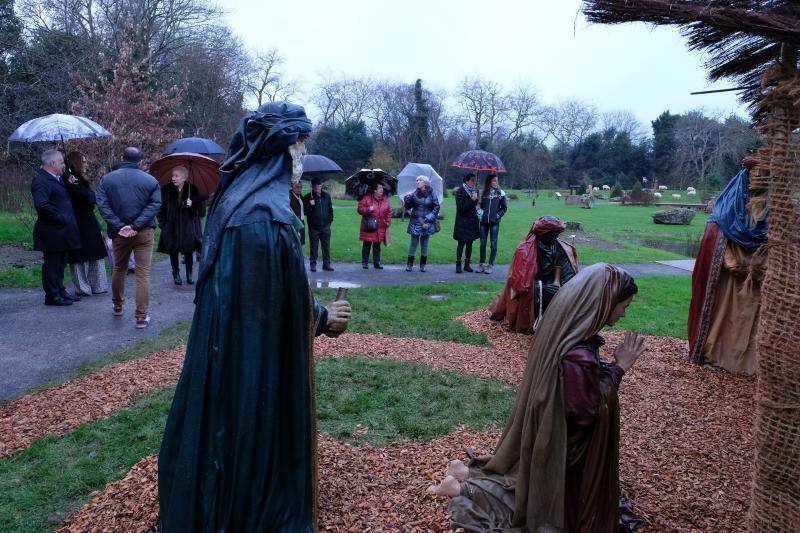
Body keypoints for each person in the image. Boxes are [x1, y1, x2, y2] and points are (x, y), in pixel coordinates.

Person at [158, 101, 351, 532]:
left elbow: (264, 294)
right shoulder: (266, 217)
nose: (302, 156)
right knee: (243, 428)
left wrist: (315, 314)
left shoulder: (240, 197)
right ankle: (247, 508)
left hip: (225, 346)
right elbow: (270, 304)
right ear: (282, 147)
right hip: (249, 359)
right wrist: (322, 318)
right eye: (300, 145)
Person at [429, 264, 646, 533]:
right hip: (560, 446)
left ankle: (463, 475)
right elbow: (586, 414)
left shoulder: (567, 330)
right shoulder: (579, 354)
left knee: (522, 477)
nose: (624, 313)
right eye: (623, 305)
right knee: (542, 503)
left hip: (545, 427)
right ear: (603, 303)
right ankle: (465, 488)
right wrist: (619, 368)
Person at [687, 158, 767, 375]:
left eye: (764, 174)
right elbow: (716, 227)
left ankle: (750, 362)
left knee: (751, 318)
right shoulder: (729, 205)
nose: (759, 178)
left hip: (758, 278)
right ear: (747, 174)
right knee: (725, 315)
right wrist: (730, 259)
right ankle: (717, 354)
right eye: (756, 173)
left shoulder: (774, 209)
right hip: (729, 278)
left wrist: (758, 267)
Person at [96, 147, 162, 329]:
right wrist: (136, 225)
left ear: (122, 157)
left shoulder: (107, 179)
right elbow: (155, 205)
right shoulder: (151, 181)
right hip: (144, 232)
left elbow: (102, 205)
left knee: (119, 268)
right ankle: (141, 317)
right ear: (140, 161)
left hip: (120, 233)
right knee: (143, 274)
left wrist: (121, 226)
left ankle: (118, 305)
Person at [488, 215, 579, 333]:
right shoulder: (524, 251)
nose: (555, 237)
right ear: (543, 234)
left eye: (557, 233)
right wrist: (542, 289)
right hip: (534, 291)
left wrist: (563, 288)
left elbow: (569, 274)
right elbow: (519, 283)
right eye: (552, 234)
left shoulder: (562, 249)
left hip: (556, 288)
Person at [30, 149, 82, 306]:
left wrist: (70, 184)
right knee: (52, 264)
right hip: (52, 231)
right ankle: (52, 295)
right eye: (61, 162)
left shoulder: (57, 179)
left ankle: (60, 291)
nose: (64, 165)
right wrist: (60, 218)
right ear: (52, 163)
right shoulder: (41, 180)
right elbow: (42, 204)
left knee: (60, 263)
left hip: (62, 232)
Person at [63, 151, 109, 296]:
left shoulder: (78, 180)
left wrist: (78, 187)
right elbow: (87, 198)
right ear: (75, 162)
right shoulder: (67, 180)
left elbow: (91, 197)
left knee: (94, 253)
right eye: (83, 161)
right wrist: (74, 187)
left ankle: (98, 285)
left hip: (87, 221)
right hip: (76, 222)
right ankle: (83, 288)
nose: (86, 164)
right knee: (78, 256)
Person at [156, 166, 205, 286]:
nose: (173, 178)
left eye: (176, 176)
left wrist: (192, 204)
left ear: (184, 177)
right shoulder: (166, 189)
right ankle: (176, 273)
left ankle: (189, 273)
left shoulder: (192, 189)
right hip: (171, 225)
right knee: (173, 250)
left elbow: (201, 211)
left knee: (188, 250)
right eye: (172, 176)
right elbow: (160, 208)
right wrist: (163, 224)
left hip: (187, 225)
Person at [403, 175, 440, 272]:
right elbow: (407, 207)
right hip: (415, 221)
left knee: (425, 244)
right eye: (417, 180)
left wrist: (429, 218)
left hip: (427, 222)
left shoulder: (432, 193)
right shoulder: (414, 193)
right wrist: (407, 198)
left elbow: (436, 207)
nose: (417, 182)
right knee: (413, 244)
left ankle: (422, 265)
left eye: (420, 180)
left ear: (425, 182)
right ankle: (409, 265)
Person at [357, 182, 393, 269]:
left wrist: (388, 222)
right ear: (375, 190)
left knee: (377, 246)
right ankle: (365, 263)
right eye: (380, 188)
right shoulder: (366, 199)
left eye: (382, 188)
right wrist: (368, 209)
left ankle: (377, 263)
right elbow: (359, 209)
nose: (382, 190)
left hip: (380, 226)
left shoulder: (385, 200)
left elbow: (389, 212)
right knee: (367, 245)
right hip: (369, 226)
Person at [477, 173, 507, 274]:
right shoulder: (483, 193)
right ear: (489, 182)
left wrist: (497, 216)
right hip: (483, 222)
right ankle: (481, 264)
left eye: (497, 181)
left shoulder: (501, 193)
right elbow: (479, 206)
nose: (496, 183)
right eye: (494, 181)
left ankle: (490, 265)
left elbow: (504, 208)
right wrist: (480, 212)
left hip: (494, 223)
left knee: (493, 245)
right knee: (482, 244)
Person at [303, 176, 334, 272]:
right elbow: (304, 212)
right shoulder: (308, 197)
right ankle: (313, 264)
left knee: (326, 246)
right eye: (315, 185)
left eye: (319, 185)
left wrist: (329, 220)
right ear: (312, 186)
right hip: (314, 227)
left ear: (321, 186)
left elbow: (330, 209)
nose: (317, 187)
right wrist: (310, 206)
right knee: (314, 247)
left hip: (325, 226)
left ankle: (326, 264)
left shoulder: (327, 196)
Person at [453, 173, 480, 273]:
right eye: (472, 180)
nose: (474, 182)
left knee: (470, 243)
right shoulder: (460, 191)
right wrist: (472, 200)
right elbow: (461, 208)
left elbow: (476, 205)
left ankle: (467, 264)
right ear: (467, 181)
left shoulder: (476, 191)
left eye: (475, 180)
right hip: (462, 221)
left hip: (472, 221)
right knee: (461, 243)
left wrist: (477, 204)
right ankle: (458, 264)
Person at [289, 179, 306, 245]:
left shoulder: (301, 197)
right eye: (297, 187)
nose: (299, 189)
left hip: (301, 221)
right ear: (292, 187)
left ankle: (300, 255)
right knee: (295, 242)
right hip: (294, 223)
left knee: (301, 242)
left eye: (301, 187)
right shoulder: (289, 197)